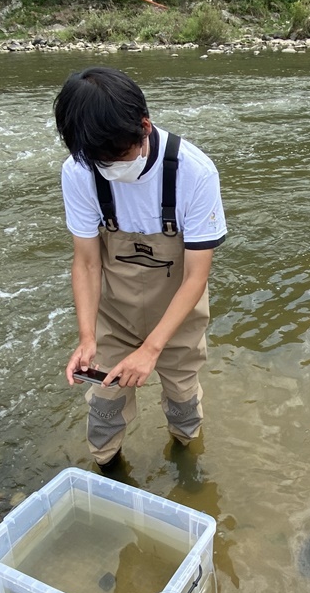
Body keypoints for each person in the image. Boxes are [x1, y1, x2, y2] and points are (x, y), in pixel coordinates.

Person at [53, 67, 227, 469]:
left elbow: (197, 276)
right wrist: (86, 338)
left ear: (144, 128)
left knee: (184, 405)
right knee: (103, 410)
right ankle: (108, 470)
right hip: (115, 315)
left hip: (179, 314)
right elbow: (86, 260)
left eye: (115, 159)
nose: (108, 169)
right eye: (97, 162)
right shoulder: (80, 170)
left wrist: (151, 351)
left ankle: (186, 460)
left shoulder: (195, 173)